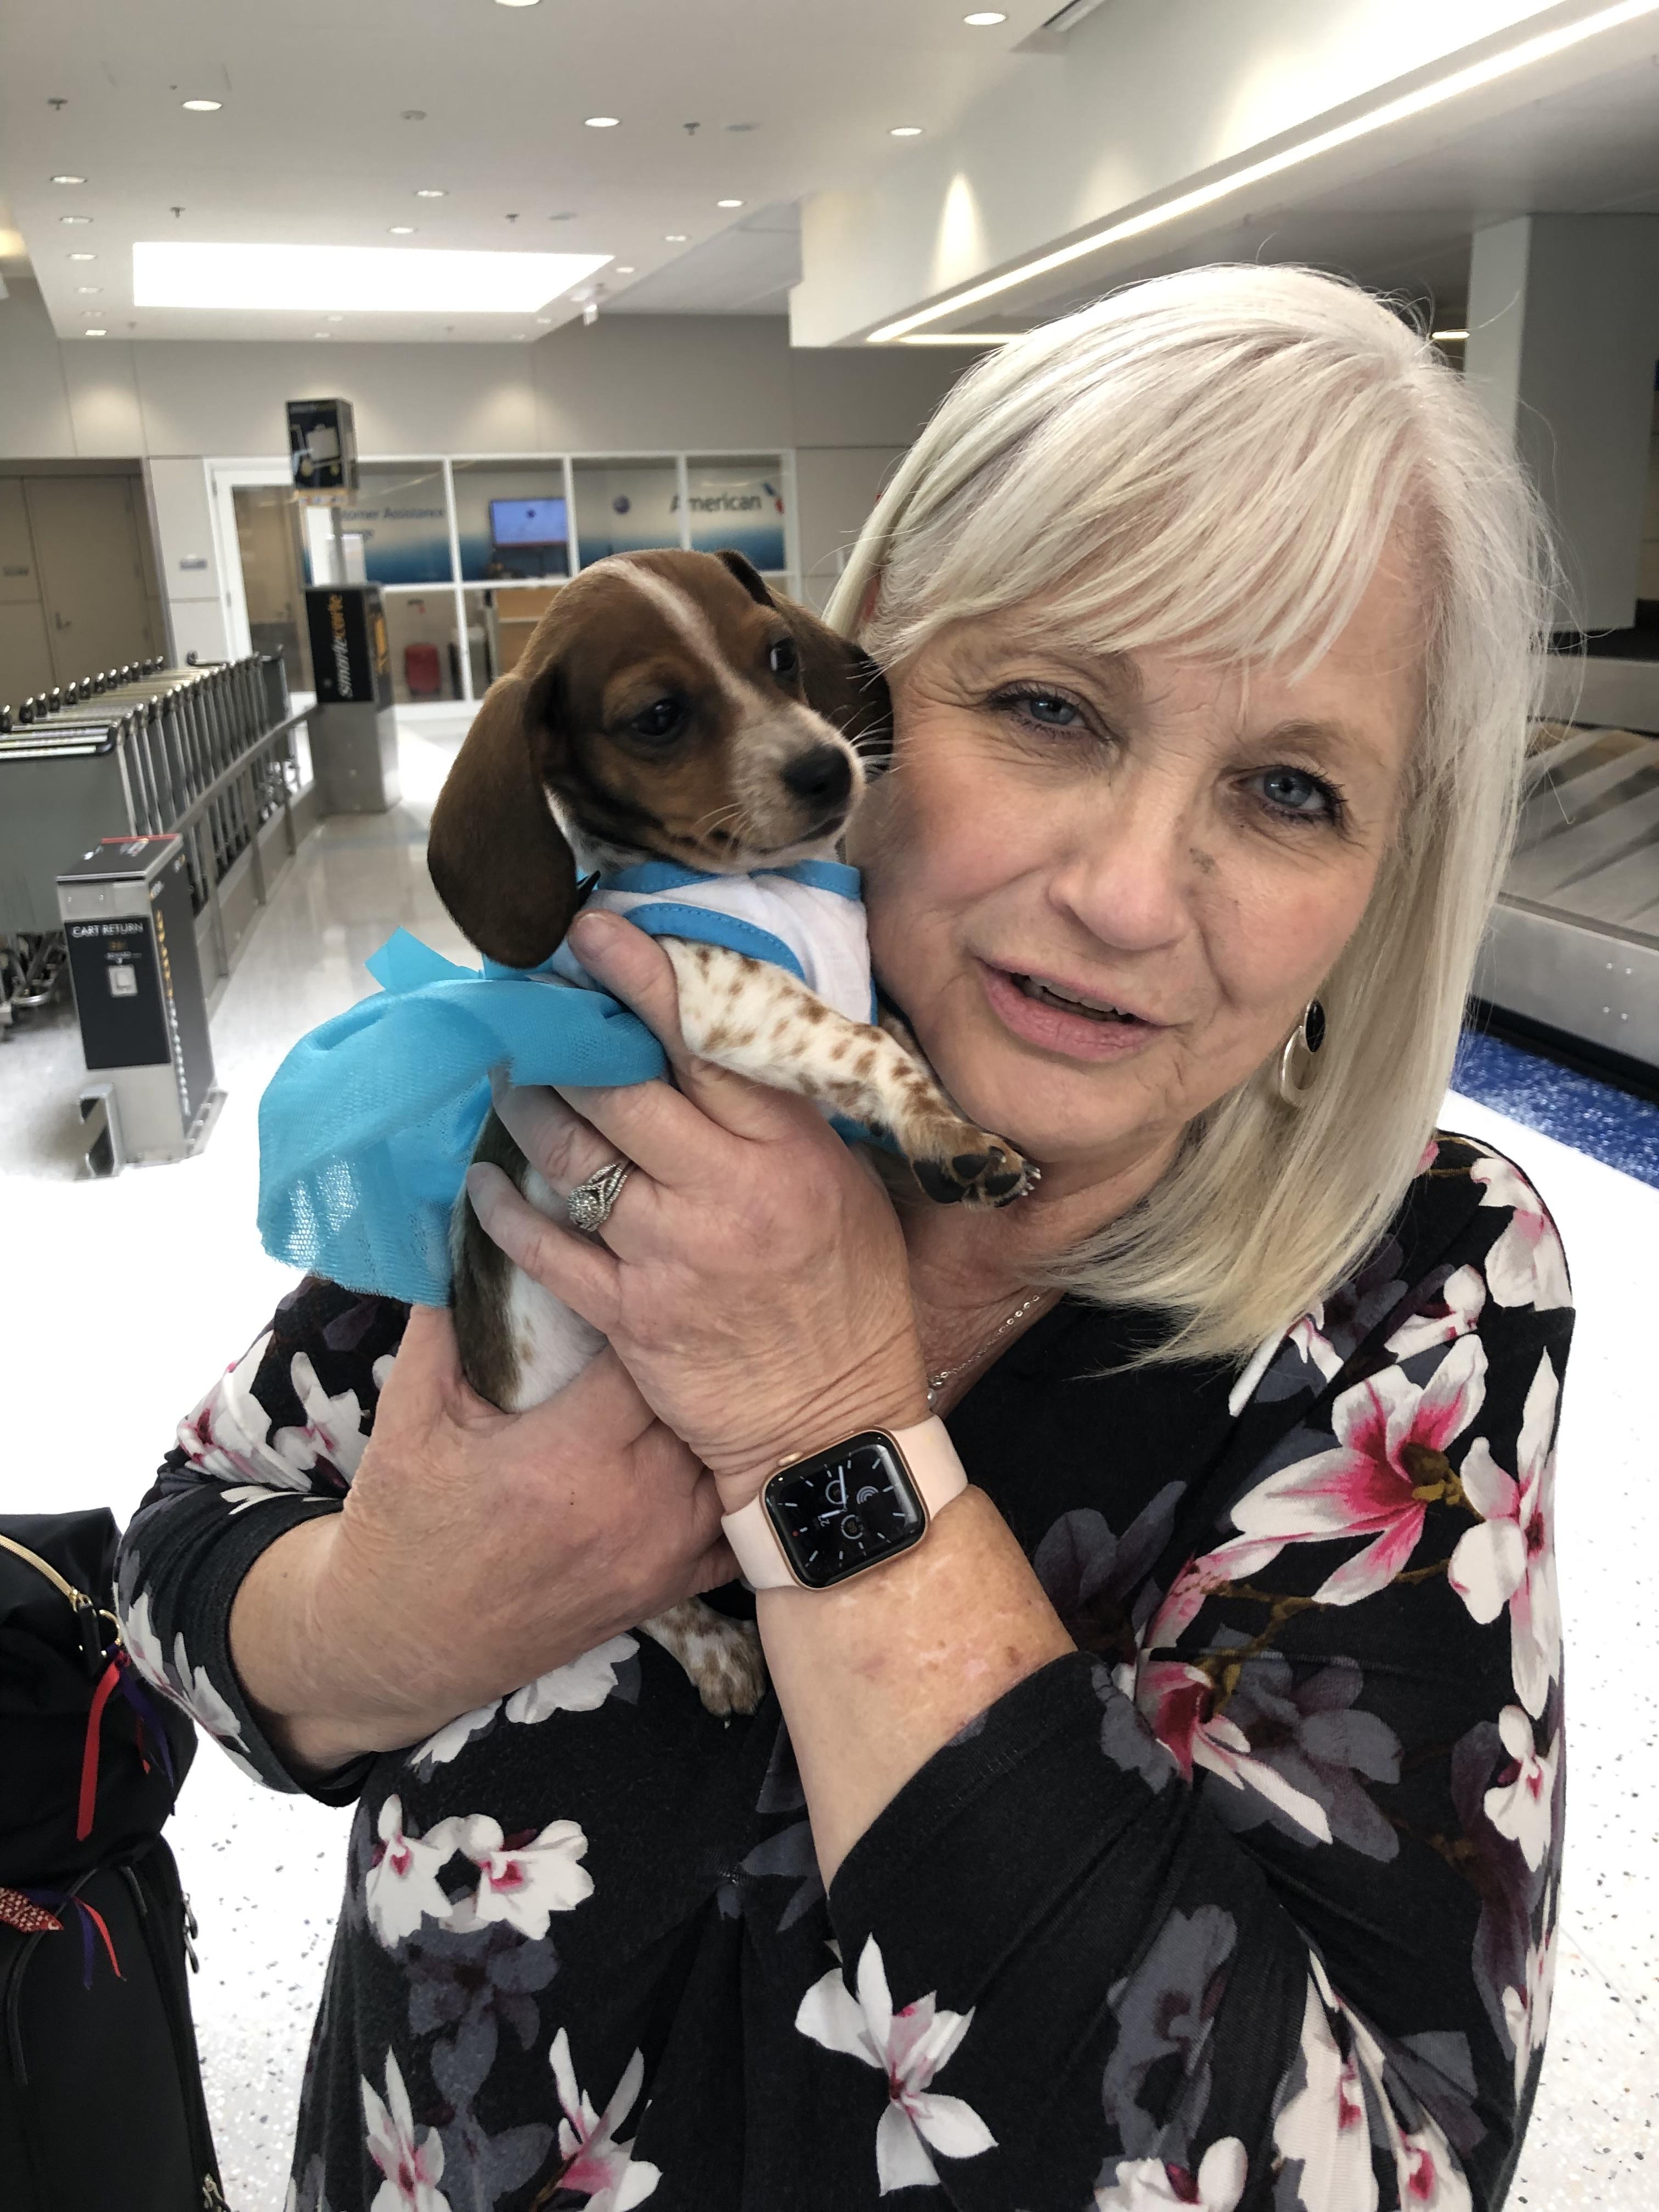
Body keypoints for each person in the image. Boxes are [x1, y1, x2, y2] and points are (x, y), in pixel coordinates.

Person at [116, 265, 1569, 2212]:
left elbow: (1372, 2170)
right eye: (1049, 708)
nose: (1132, 895)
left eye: (1291, 789)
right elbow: (182, 1553)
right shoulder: (612, 1073)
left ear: (1390, 871)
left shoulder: (1417, 1290)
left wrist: (826, 1424)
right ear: (853, 682)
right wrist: (382, 1626)